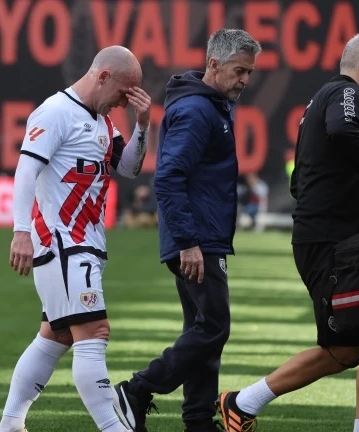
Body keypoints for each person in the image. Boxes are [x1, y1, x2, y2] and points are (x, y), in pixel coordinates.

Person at [216, 32, 359, 432]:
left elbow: (299, 182)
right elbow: (342, 130)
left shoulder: (323, 100)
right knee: (345, 346)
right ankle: (242, 402)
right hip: (331, 243)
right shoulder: (346, 94)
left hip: (341, 239)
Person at [112, 28, 261, 432]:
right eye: (239, 70)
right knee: (214, 327)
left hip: (200, 234)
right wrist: (188, 242)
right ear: (213, 64)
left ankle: (197, 420)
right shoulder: (198, 111)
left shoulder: (210, 103)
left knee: (202, 330)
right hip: (196, 238)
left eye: (249, 72)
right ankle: (137, 390)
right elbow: (168, 177)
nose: (245, 80)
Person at [0, 45, 152, 432]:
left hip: (85, 244)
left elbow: (130, 168)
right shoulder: (55, 112)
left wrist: (144, 124)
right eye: (122, 93)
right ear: (102, 77)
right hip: (63, 244)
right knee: (95, 332)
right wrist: (21, 231)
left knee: (57, 334)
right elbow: (25, 171)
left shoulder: (103, 122)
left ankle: (11, 424)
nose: (122, 103)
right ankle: (113, 428)